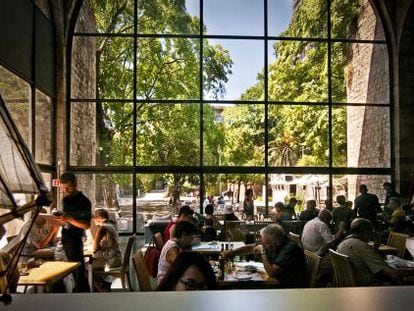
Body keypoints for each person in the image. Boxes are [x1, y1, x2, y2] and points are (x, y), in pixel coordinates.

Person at [221, 224, 307, 288]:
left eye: (267, 243)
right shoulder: (274, 242)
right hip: (279, 280)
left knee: (245, 286)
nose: (264, 245)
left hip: (291, 287)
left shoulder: (289, 248)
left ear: (275, 242)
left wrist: (263, 251)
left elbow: (271, 272)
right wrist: (231, 252)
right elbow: (251, 248)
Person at [337, 218, 414, 286]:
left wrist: (376, 246)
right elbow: (393, 273)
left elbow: (368, 261)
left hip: (352, 282)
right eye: (371, 231)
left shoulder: (344, 242)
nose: (372, 234)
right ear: (366, 231)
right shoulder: (361, 246)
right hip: (369, 286)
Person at [53, 172, 91, 292]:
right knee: (56, 276)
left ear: (75, 184)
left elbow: (86, 225)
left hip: (74, 242)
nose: (66, 190)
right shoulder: (66, 200)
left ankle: (84, 302)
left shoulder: (84, 201)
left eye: (68, 187)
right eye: (63, 188)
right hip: (63, 241)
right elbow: (66, 222)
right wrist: (60, 220)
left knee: (78, 276)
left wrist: (69, 219)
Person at [157, 221, 198, 285]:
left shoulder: (175, 243)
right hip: (166, 285)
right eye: (191, 237)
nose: (191, 240)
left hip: (171, 280)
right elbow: (179, 269)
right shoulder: (173, 249)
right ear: (184, 235)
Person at [92, 208, 122, 291]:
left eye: (94, 218)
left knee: (87, 269)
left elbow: (95, 247)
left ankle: (101, 289)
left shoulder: (103, 228)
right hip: (117, 257)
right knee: (95, 264)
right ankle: (104, 284)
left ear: (99, 217)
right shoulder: (111, 225)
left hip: (111, 260)